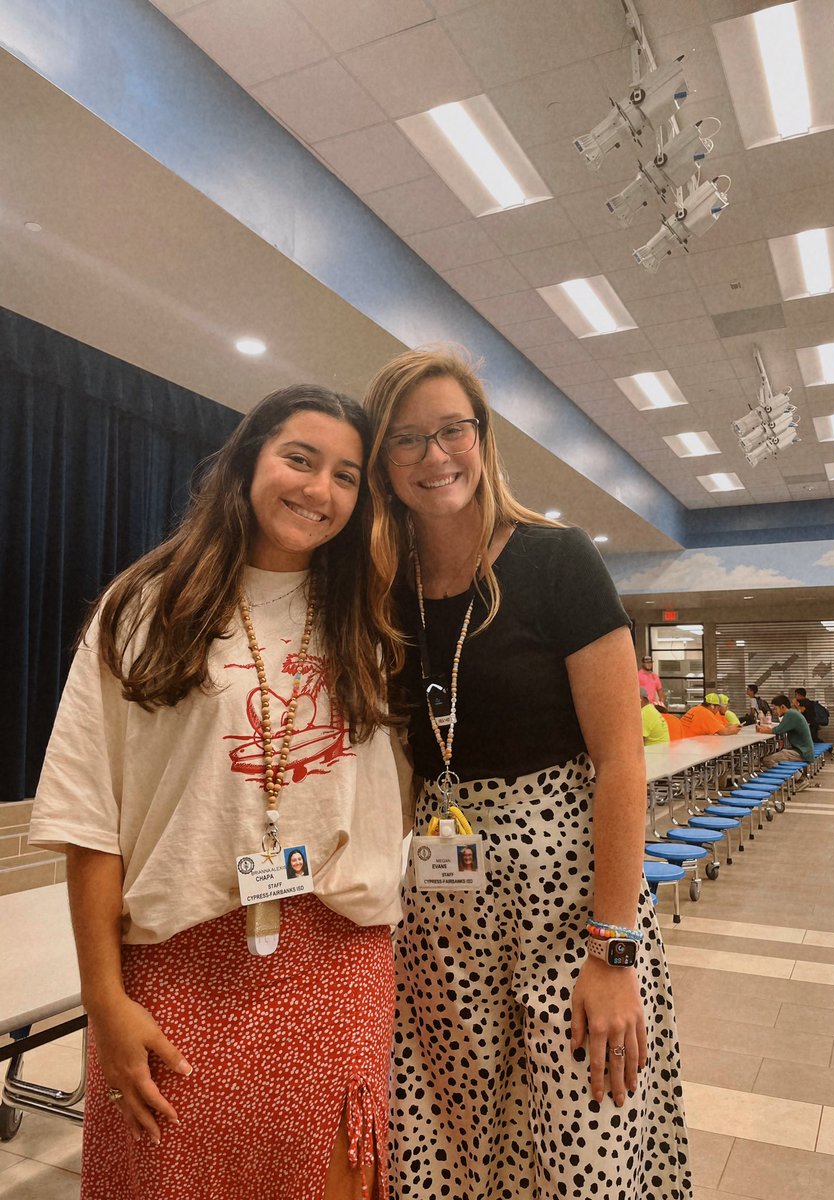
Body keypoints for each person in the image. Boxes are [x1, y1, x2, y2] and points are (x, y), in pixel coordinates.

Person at [29, 386, 405, 1200]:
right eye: (299, 459)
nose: (319, 490)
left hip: (335, 958)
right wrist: (104, 999)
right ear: (246, 463)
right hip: (177, 965)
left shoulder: (368, 618)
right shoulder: (147, 605)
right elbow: (91, 816)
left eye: (346, 475)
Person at [363, 347, 691, 1200]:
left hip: (571, 914)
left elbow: (623, 765)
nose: (434, 457)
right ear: (383, 462)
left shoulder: (556, 558)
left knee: (584, 1144)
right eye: (407, 440)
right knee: (452, 1141)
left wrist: (614, 951)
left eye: (451, 431)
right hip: (443, 921)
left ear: (483, 438)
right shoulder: (382, 586)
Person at [755, 694, 814, 767]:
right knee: (779, 753)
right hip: (803, 751)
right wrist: (763, 728)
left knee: (767, 760)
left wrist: (761, 730)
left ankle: (788, 777)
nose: (775, 712)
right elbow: (776, 729)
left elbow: (777, 730)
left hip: (802, 753)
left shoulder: (790, 715)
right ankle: (795, 775)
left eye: (775, 708)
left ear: (782, 707)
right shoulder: (792, 713)